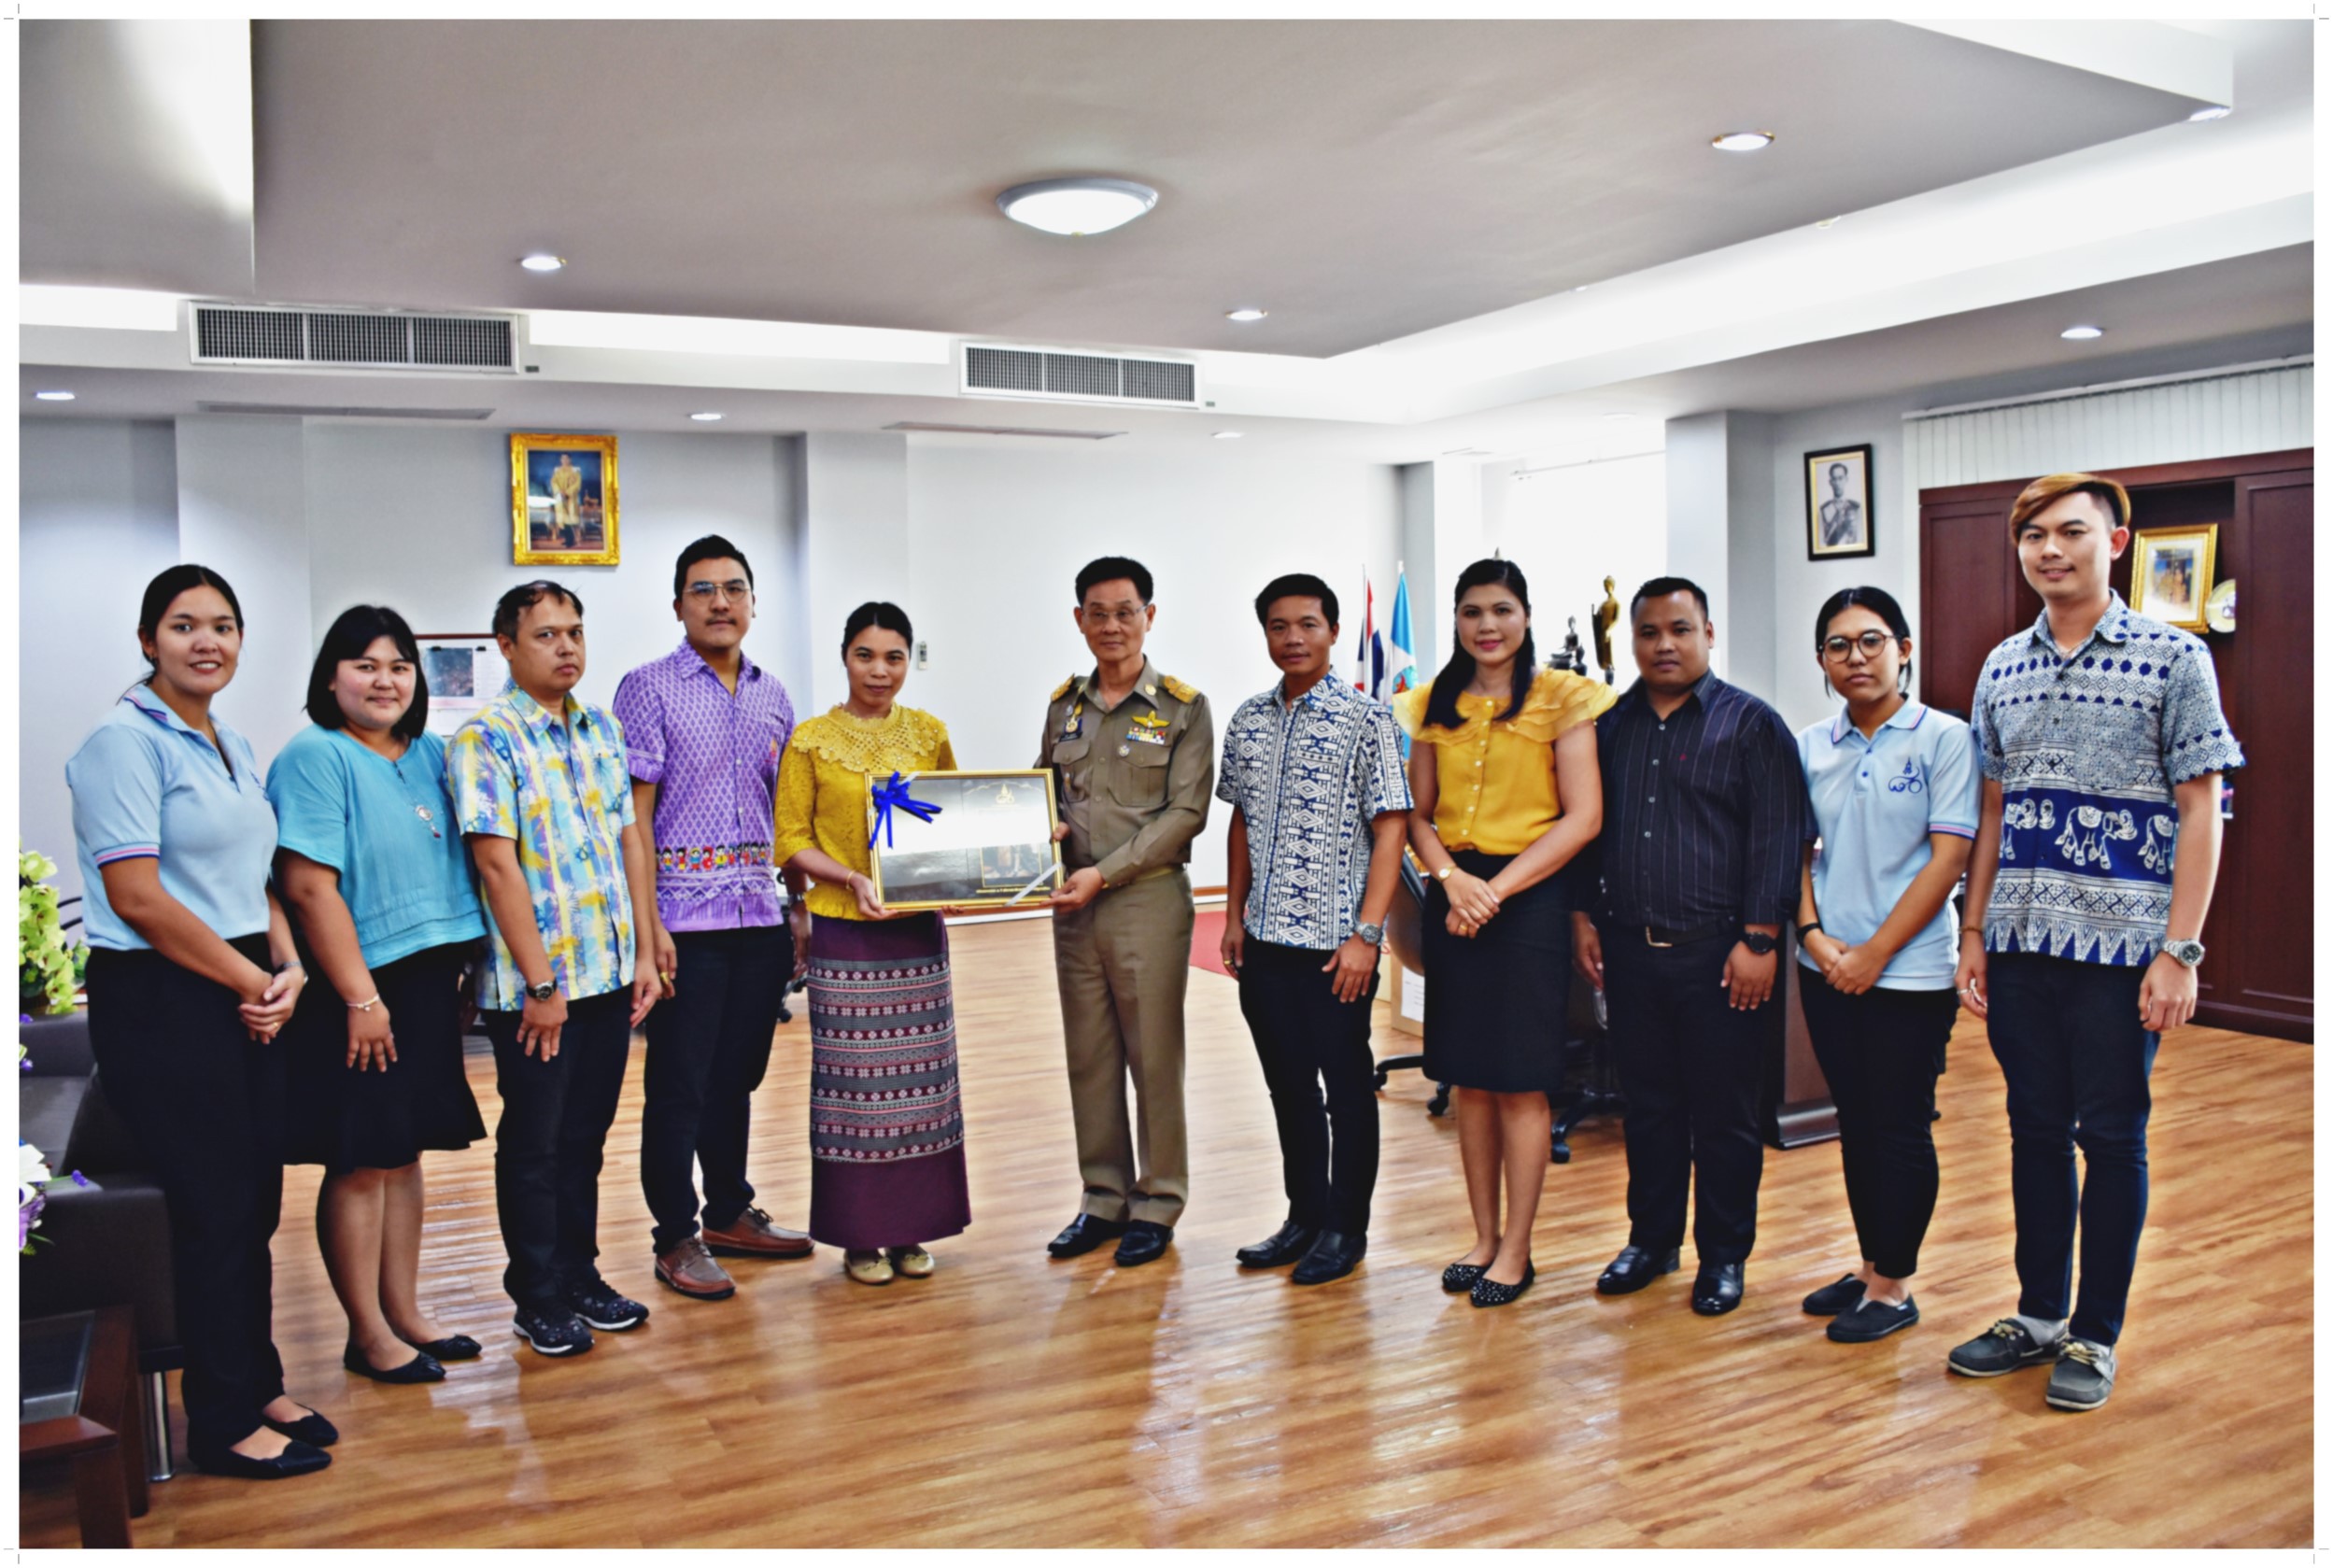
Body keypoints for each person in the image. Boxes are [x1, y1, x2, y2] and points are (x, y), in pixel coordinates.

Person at [1948, 473, 2241, 1411]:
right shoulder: (2000, 665)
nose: (2049, 549)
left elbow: (2201, 810)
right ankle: (2037, 1313)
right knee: (2033, 1128)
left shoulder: (2175, 657)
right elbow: (1993, 811)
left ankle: (2094, 1332)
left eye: (2069, 531)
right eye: (2032, 534)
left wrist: (2180, 950)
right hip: (2020, 943)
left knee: (2110, 1136)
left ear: (2113, 543)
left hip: (2123, 952)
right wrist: (1972, 930)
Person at [66, 564, 333, 1479]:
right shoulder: (121, 741)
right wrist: (253, 980)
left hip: (241, 977)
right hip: (162, 995)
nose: (206, 640)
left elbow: (256, 878)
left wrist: (288, 965)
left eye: (222, 624)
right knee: (214, 1206)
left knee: (254, 1202)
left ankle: (255, 1380)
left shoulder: (231, 740)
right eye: (184, 625)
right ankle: (219, 1420)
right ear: (149, 640)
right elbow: (137, 897)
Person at [1572, 577, 1807, 1316]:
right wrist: (1584, 917)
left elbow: (1779, 837)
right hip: (1629, 949)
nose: (1664, 644)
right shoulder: (1609, 726)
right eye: (1649, 632)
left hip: (1721, 954)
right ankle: (1652, 1240)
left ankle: (1724, 1255)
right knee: (1647, 1106)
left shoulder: (1751, 725)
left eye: (1680, 629)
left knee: (1725, 1114)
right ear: (1633, 640)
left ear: (1709, 633)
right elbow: (1587, 828)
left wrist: (1760, 938)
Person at [270, 605, 489, 1386]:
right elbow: (306, 885)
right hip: (357, 985)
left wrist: (463, 972)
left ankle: (405, 1311)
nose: (385, 680)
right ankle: (366, 1332)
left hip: (424, 980)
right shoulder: (315, 755)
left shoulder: (428, 751)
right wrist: (361, 999)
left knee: (404, 1149)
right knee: (362, 1158)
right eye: (365, 665)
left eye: (399, 666)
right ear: (331, 676)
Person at [447, 581, 660, 1357]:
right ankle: (535, 1294)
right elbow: (495, 865)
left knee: (585, 1137)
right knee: (535, 1144)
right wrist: (541, 985)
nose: (566, 646)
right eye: (546, 634)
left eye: (574, 631)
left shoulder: (602, 728)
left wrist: (645, 948)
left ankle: (579, 1275)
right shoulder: (486, 739)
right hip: (535, 988)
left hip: (608, 971)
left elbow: (629, 838)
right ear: (506, 645)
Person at [1395, 559, 1611, 1307]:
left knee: (1520, 1081)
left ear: (1525, 616)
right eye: (1472, 611)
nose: (1487, 625)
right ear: (1456, 619)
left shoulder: (1564, 697)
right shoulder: (1432, 702)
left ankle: (1517, 1249)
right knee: (1471, 1080)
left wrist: (1494, 890)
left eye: (1501, 609)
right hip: (1455, 893)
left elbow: (1584, 817)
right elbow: (1417, 811)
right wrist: (1451, 879)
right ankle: (1482, 1238)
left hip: (1529, 899)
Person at [614, 536, 815, 1305]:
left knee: (737, 1077)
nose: (720, 602)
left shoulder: (774, 695)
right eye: (703, 589)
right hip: (682, 923)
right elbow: (634, 818)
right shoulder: (648, 688)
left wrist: (797, 906)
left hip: (758, 916)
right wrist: (648, 926)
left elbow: (786, 815)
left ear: (754, 603)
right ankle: (675, 1234)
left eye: (734, 588)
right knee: (680, 1086)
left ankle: (728, 1211)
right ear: (678, 606)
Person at [1790, 587, 1977, 1344]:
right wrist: (1813, 936)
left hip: (1910, 973)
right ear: (1821, 660)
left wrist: (1875, 953)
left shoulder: (1945, 738)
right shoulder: (1810, 744)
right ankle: (1871, 1265)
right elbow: (1795, 853)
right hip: (1827, 967)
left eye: (1872, 641)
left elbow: (1949, 858)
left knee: (1899, 1124)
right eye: (1838, 645)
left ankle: (1895, 1286)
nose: (1856, 657)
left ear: (1904, 649)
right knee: (1856, 1121)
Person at [1218, 572, 1410, 1287]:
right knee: (1289, 1088)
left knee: (1347, 1091)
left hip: (1337, 948)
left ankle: (1345, 1228)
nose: (1293, 637)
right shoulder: (1248, 719)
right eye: (1279, 625)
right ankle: (1303, 1215)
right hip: (1264, 941)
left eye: (1307, 624)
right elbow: (1241, 821)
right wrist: (1234, 915)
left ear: (1332, 630)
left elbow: (1391, 828)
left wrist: (1368, 934)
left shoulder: (1367, 720)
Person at [772, 602, 970, 1286]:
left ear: (909, 661)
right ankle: (860, 1236)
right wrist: (850, 877)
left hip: (915, 931)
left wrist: (964, 874)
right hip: (844, 930)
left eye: (894, 657)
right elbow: (791, 839)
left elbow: (953, 817)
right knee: (854, 1092)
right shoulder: (810, 741)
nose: (879, 671)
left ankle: (912, 1228)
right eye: (865, 655)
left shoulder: (929, 733)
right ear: (845, 657)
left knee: (922, 1086)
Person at [1038, 556, 1215, 1268]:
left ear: (1150, 616)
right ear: (1079, 619)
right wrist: (1039, 835)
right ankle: (1103, 1197)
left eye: (1125, 611)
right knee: (1090, 1056)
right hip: (1074, 908)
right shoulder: (1064, 705)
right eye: (1098, 613)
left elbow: (1186, 814)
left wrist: (1103, 874)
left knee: (1154, 1057)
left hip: (1146, 901)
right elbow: (1041, 792)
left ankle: (1158, 1200)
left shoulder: (1182, 707)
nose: (1112, 625)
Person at [1819, 463, 1863, 548]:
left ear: (1846, 480)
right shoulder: (1823, 510)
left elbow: (1860, 539)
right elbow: (1821, 542)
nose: (1837, 483)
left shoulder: (1856, 508)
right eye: (1834, 479)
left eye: (1840, 478)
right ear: (1830, 482)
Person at [549, 453, 584, 549]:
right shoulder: (557, 471)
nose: (564, 461)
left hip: (571, 498)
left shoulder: (575, 471)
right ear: (560, 460)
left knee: (570, 519)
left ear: (570, 460)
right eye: (563, 459)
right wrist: (559, 491)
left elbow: (577, 484)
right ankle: (567, 539)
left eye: (566, 459)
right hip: (560, 497)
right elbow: (553, 482)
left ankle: (571, 540)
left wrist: (567, 492)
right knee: (561, 519)